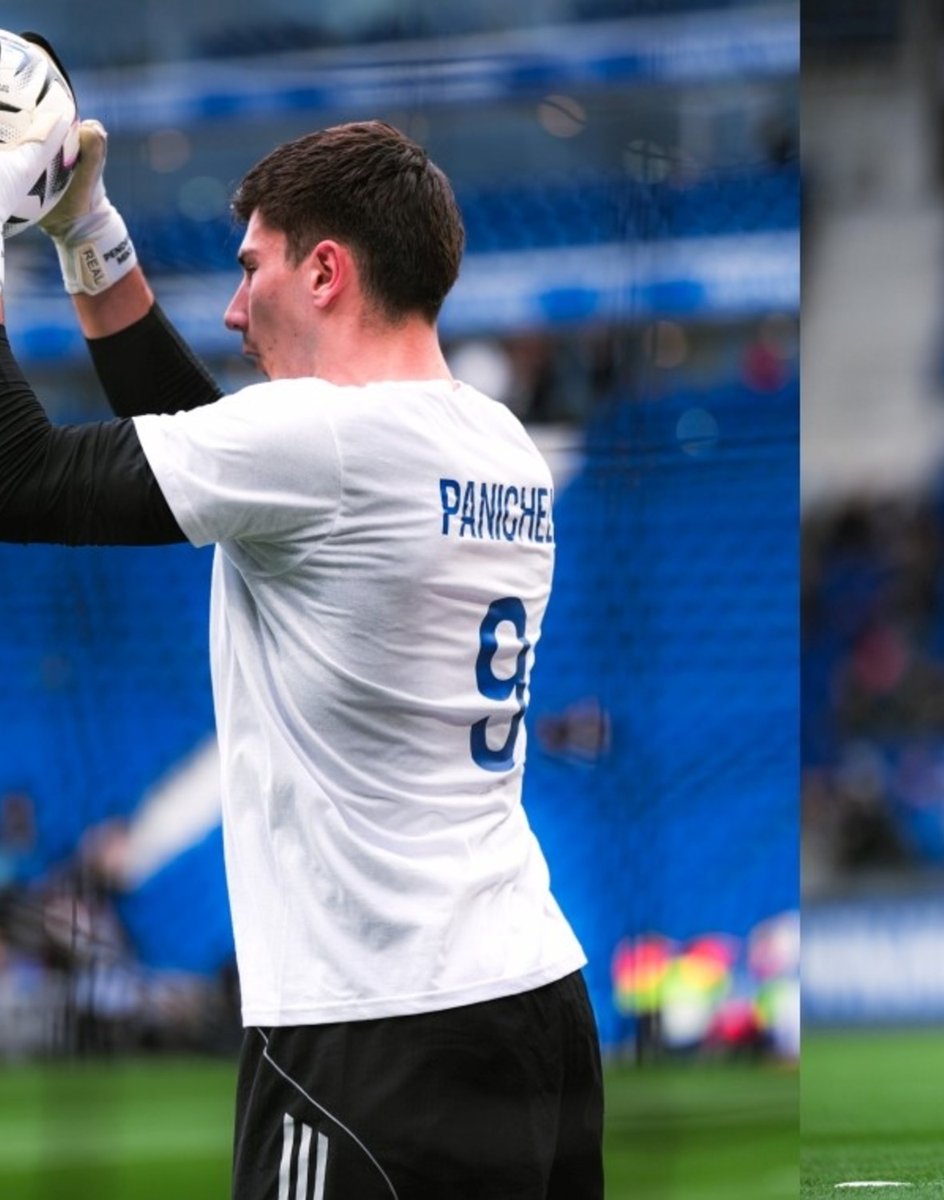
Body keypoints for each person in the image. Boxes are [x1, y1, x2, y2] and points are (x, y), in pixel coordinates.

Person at [0, 43, 602, 1199]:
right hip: (536, 1010)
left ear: (325, 271)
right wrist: (88, 232)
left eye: (251, 269)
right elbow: (223, 462)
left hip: (371, 1036)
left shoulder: (321, 444)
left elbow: (18, 475)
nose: (231, 309)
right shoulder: (494, 440)